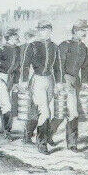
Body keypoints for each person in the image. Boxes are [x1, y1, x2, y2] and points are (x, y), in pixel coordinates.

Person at [21, 23, 62, 153]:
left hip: (50, 81)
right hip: (37, 80)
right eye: (43, 30)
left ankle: (27, 134)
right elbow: (25, 65)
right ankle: (41, 143)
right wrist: (24, 81)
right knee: (45, 112)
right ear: (39, 31)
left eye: (48, 30)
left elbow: (57, 67)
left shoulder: (54, 47)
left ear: (50, 31)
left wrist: (59, 82)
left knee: (39, 111)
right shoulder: (33, 46)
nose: (45, 32)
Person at [57, 21, 88, 151]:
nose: (85, 33)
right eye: (82, 30)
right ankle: (71, 143)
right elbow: (59, 65)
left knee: (72, 112)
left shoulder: (84, 48)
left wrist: (85, 82)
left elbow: (85, 67)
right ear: (75, 31)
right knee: (70, 112)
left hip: (76, 82)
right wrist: (60, 81)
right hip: (65, 80)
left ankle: (71, 142)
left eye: (85, 30)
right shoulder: (65, 45)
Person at [0, 29, 23, 134]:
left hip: (11, 79)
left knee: (3, 103)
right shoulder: (1, 50)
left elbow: (18, 68)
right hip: (1, 77)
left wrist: (16, 82)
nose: (17, 37)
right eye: (15, 36)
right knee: (6, 105)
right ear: (10, 37)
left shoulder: (18, 49)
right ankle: (6, 130)